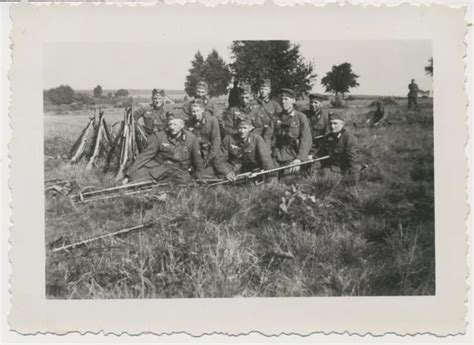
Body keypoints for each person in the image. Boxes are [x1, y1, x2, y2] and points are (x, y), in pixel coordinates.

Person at [118, 117, 203, 184]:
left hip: (179, 170)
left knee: (184, 179)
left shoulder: (191, 139)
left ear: (182, 126)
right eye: (170, 124)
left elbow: (197, 159)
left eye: (175, 124)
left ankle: (159, 184)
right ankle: (159, 182)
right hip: (160, 168)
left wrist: (198, 176)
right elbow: (146, 155)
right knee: (134, 176)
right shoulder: (159, 136)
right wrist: (128, 174)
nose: (172, 127)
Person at [272, 88, 312, 173]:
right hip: (276, 155)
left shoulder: (300, 117)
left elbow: (306, 139)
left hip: (292, 156)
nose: (283, 102)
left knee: (288, 179)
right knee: (271, 178)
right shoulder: (275, 118)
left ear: (293, 101)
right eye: (282, 99)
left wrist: (299, 159)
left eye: (286, 99)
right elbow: (267, 137)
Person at [318, 112, 359, 183]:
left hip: (342, 170)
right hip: (329, 168)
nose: (332, 126)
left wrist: (353, 180)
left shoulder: (349, 138)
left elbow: (353, 160)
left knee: (323, 179)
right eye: (330, 123)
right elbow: (320, 155)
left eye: (335, 123)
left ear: (342, 124)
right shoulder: (328, 137)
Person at [185, 99, 222, 177]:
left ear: (202, 110)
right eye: (193, 111)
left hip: (210, 153)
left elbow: (216, 142)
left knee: (211, 172)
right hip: (196, 153)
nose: (195, 114)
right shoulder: (189, 123)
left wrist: (208, 159)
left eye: (197, 111)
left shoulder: (212, 121)